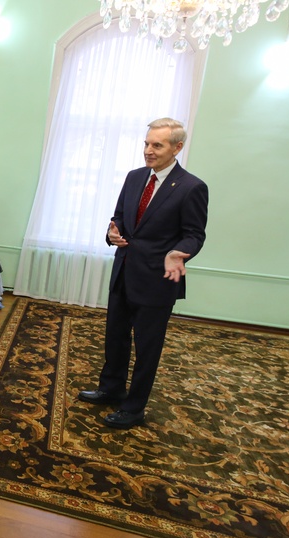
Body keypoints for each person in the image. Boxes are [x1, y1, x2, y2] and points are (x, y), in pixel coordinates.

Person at [78, 118, 209, 429]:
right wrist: (112, 233)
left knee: (147, 348)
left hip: (157, 281)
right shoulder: (135, 177)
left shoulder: (192, 187)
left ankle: (134, 407)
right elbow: (120, 217)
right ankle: (111, 388)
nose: (148, 150)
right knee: (115, 337)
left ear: (177, 147)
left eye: (157, 145)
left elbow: (194, 234)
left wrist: (179, 253)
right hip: (124, 271)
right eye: (147, 143)